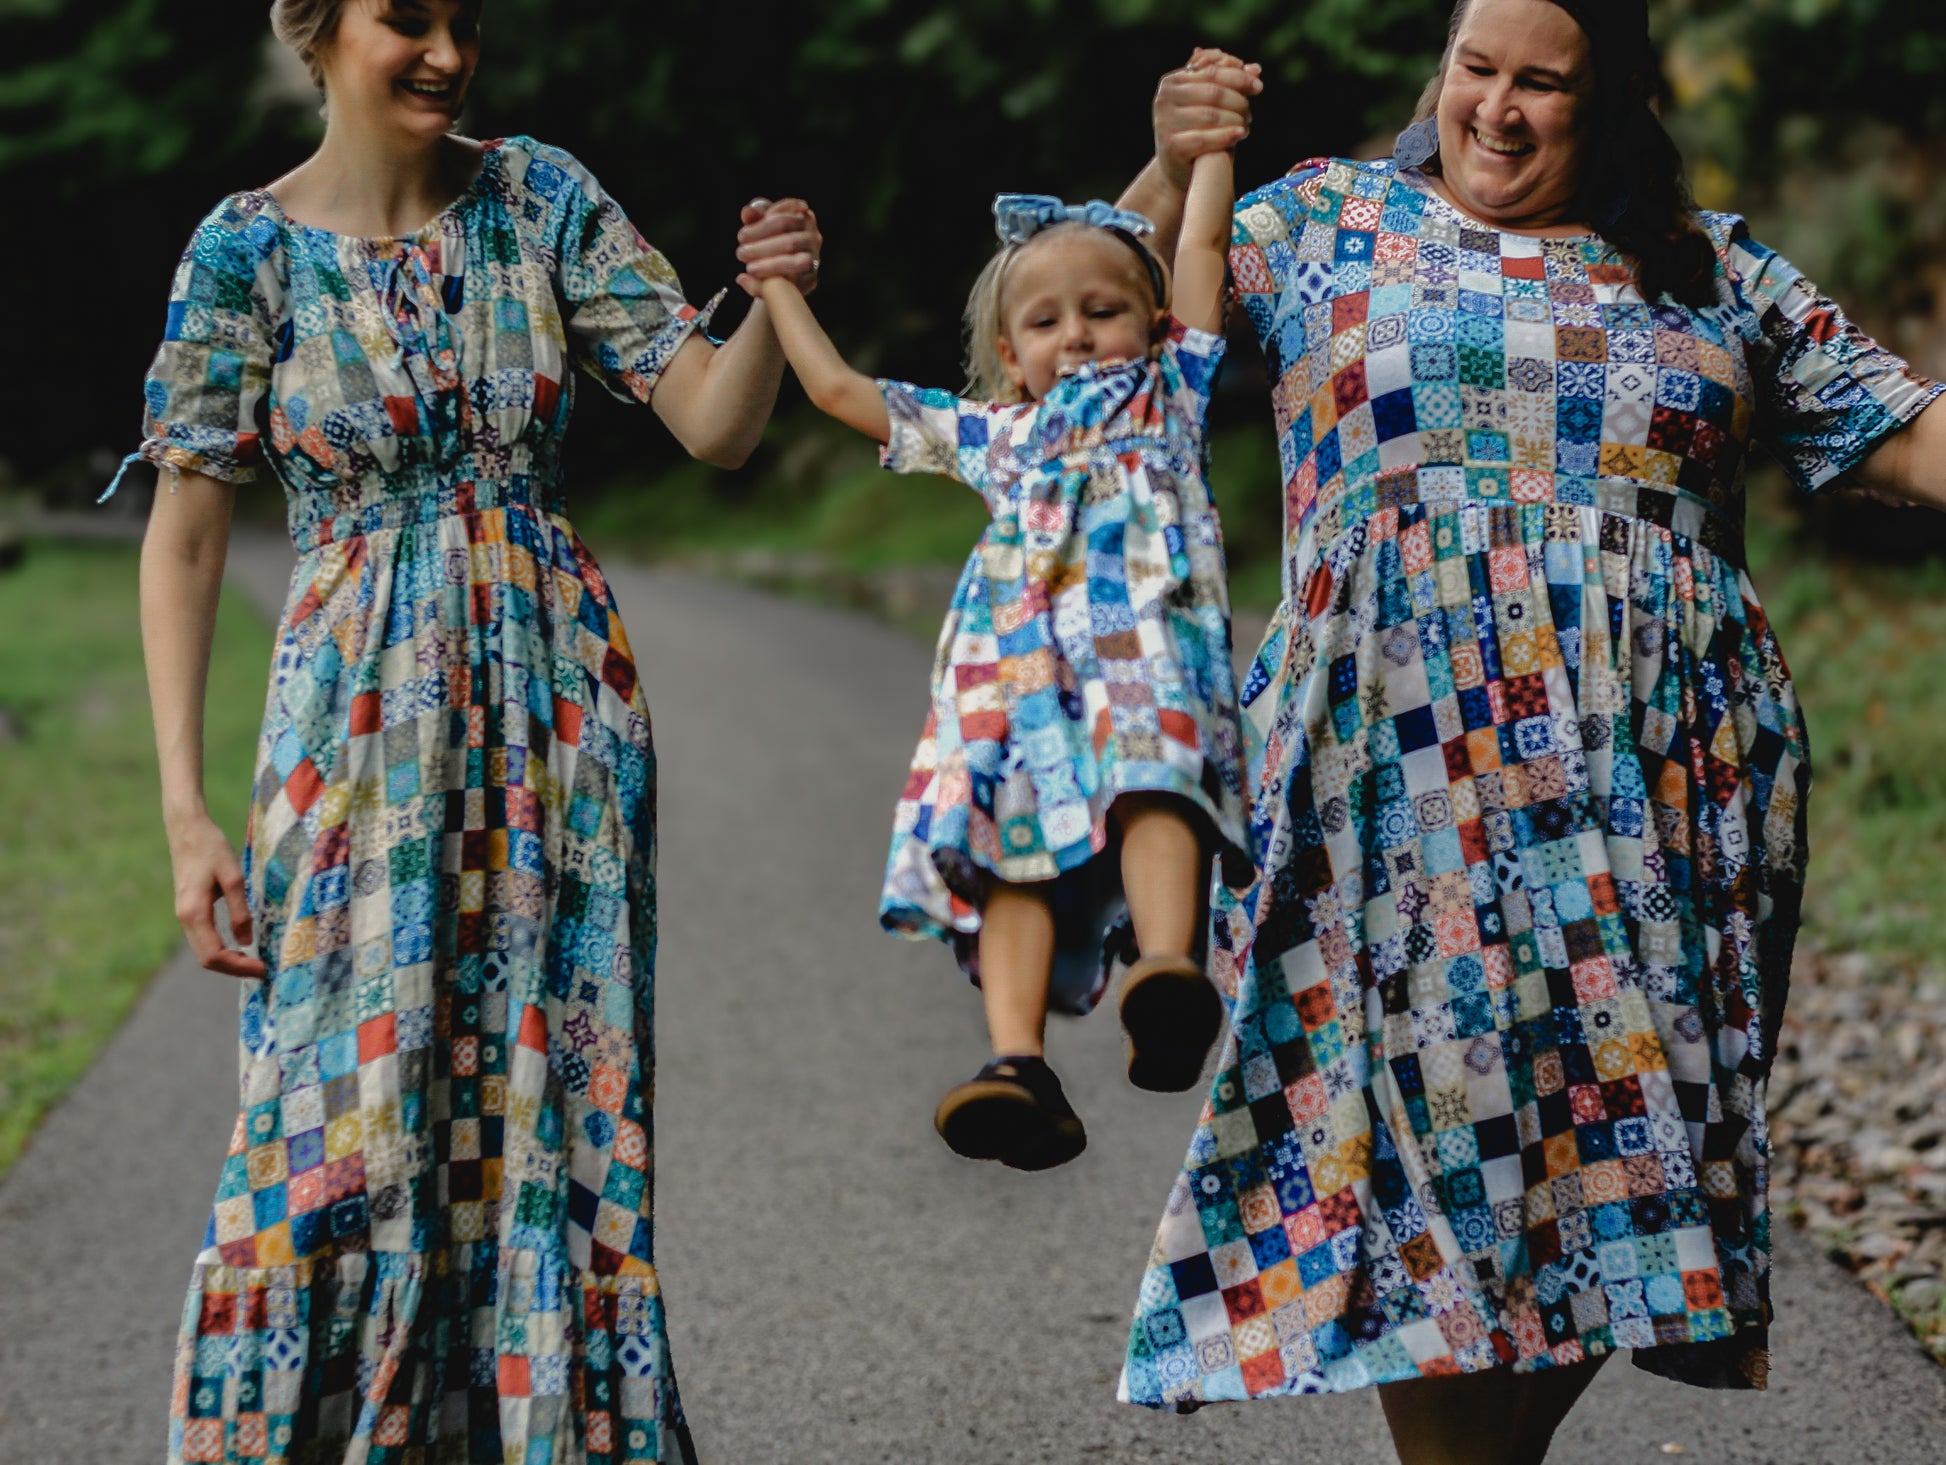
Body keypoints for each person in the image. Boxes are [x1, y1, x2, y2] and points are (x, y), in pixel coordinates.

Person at [1111, 6, 1946, 1463]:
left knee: (1625, 1155)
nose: (1494, 110)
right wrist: (1160, 168)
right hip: (1395, 758)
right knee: (1429, 1134)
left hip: (1663, 780)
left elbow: (1908, 431)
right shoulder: (1323, 218)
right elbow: (1089, 341)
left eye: (1540, 84)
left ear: (1609, 102)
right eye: (1472, 70)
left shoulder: (1707, 263)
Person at [117, 2, 818, 1460]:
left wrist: (770, 302)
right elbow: (186, 533)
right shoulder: (244, 254)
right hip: (347, 742)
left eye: (464, 20)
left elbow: (715, 423)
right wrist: (185, 811)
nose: (444, 49)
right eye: (403, 18)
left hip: (558, 726)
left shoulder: (543, 198)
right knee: (329, 1128)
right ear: (312, 30)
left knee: (554, 1121)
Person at [753, 148, 1254, 1171]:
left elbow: (1199, 241)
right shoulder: (994, 435)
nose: (1075, 333)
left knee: (1158, 785)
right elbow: (842, 390)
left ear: (1154, 323)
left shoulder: (1171, 388)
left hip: (1141, 660)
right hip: (1015, 691)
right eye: (1045, 320)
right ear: (1006, 347)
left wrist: (1211, 150)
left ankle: (1166, 975)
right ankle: (1017, 1065)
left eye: (1102, 309)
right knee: (1005, 859)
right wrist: (774, 291)